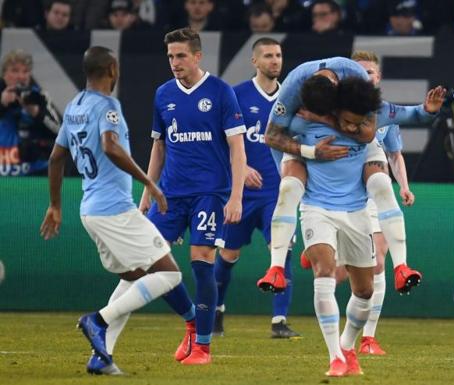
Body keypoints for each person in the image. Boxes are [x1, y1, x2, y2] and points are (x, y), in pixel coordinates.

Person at [285, 77, 444, 376]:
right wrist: (304, 157)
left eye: (357, 124)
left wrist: (428, 110)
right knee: (325, 274)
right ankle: (335, 357)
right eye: (346, 122)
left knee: (365, 288)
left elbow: (409, 121)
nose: (349, 129)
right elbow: (273, 136)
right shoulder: (306, 117)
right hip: (317, 206)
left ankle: (349, 345)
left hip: (358, 207)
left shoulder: (374, 115)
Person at [39, 46, 183, 375]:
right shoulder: (107, 105)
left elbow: (55, 158)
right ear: (113, 69)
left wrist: (55, 205)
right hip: (115, 209)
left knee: (133, 279)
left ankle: (101, 358)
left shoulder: (75, 105)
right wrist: (149, 181)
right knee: (170, 274)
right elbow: (109, 145)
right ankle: (97, 320)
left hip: (89, 210)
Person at [257, 56, 425, 296]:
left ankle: (401, 266)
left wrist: (323, 120)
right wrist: (311, 151)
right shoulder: (293, 86)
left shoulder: (356, 80)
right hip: (306, 147)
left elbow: (368, 134)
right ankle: (276, 267)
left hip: (356, 155)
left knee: (381, 185)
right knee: (289, 190)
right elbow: (271, 136)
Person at [300, 50, 419, 355]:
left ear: (378, 78)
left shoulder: (383, 113)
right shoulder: (329, 107)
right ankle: (319, 250)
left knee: (377, 262)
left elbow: (394, 153)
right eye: (360, 71)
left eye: (371, 73)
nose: (366, 76)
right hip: (338, 193)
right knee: (343, 269)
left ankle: (368, 337)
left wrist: (403, 186)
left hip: (372, 191)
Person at [138, 27, 246, 365]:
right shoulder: (163, 94)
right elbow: (159, 147)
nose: (174, 62)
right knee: (147, 260)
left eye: (181, 55)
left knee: (202, 262)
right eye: (170, 56)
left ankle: (202, 346)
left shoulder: (220, 92)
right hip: (169, 193)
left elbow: (237, 149)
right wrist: (147, 192)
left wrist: (236, 196)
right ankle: (190, 319)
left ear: (198, 56)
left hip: (209, 193)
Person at [214, 37, 300, 339]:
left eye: (278, 55)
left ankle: (279, 321)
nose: (275, 61)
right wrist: (242, 167)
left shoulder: (291, 100)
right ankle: (217, 311)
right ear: (255, 61)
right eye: (268, 56)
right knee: (227, 256)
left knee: (282, 252)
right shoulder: (236, 96)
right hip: (242, 193)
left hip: (277, 194)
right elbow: (217, 141)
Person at [0, 49, 61, 176]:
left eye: (25, 71)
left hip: (34, 172)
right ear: (3, 74)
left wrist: (36, 112)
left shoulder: (39, 96)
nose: (21, 76)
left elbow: (60, 132)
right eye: (15, 71)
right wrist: (2, 104)